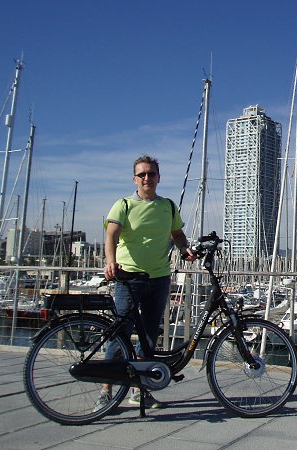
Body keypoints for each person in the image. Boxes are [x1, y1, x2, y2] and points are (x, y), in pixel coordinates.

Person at [95, 155, 195, 411]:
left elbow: (177, 234)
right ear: (135, 179)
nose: (147, 178)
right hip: (129, 277)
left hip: (159, 277)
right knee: (121, 333)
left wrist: (184, 248)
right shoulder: (124, 205)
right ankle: (106, 390)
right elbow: (111, 235)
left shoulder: (168, 206)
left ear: (158, 178)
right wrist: (110, 262)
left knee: (149, 336)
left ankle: (139, 390)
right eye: (142, 174)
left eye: (151, 174)